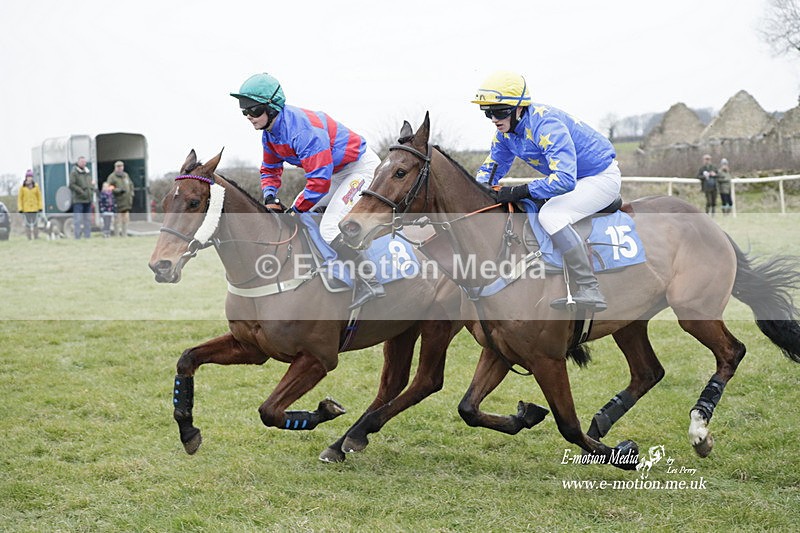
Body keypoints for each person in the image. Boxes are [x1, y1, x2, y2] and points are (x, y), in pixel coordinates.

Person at [231, 72, 384, 309]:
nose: (248, 116)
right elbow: (270, 169)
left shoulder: (303, 131)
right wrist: (270, 196)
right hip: (333, 173)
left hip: (359, 169)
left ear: (272, 108)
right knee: (299, 218)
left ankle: (369, 280)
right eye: (244, 112)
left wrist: (294, 208)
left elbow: (318, 182)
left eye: (253, 110)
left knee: (330, 226)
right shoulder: (270, 133)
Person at [472, 71, 620, 312]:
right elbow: (490, 170)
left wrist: (521, 190)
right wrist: (479, 192)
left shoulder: (546, 125)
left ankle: (588, 287)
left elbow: (564, 180)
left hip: (599, 177)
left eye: (499, 111)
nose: (493, 119)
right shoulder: (505, 134)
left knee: (552, 216)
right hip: (576, 179)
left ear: (519, 108)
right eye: (487, 112)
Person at [106, 161, 134, 237]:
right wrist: (118, 190)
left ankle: (125, 234)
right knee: (117, 220)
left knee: (126, 219)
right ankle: (116, 235)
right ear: (115, 168)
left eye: (121, 166)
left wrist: (131, 193)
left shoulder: (126, 175)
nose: (120, 168)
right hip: (117, 202)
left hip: (126, 202)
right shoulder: (112, 177)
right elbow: (108, 187)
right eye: (118, 167)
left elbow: (131, 185)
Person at [68, 156, 94, 239]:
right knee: (78, 220)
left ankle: (87, 236)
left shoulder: (88, 172)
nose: (83, 163)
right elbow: (71, 185)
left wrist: (92, 189)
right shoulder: (74, 172)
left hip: (88, 199)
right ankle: (77, 236)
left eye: (84, 162)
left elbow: (90, 183)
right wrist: (81, 191)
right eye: (82, 161)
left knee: (88, 219)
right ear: (78, 162)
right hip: (78, 200)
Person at [17, 169, 43, 240]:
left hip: (35, 208)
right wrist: (20, 209)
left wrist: (40, 207)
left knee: (35, 224)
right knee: (27, 224)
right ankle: (29, 237)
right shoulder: (22, 187)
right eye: (28, 177)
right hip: (26, 209)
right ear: (26, 177)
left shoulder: (36, 186)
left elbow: (39, 198)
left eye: (31, 177)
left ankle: (36, 237)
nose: (29, 178)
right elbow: (20, 199)